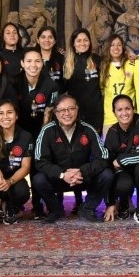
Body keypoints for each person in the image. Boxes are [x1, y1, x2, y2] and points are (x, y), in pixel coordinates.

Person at [33, 94, 112, 223]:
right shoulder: (47, 131)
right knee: (39, 179)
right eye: (62, 110)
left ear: (77, 109)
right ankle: (56, 210)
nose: (67, 113)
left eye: (71, 109)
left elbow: (103, 157)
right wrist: (62, 174)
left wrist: (82, 171)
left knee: (107, 175)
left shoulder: (88, 129)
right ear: (56, 113)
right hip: (59, 179)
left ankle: (88, 208)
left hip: (82, 177)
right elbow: (40, 161)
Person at [14, 47, 59, 219]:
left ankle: (38, 204)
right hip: (18, 130)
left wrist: (42, 136)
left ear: (42, 63)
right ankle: (11, 203)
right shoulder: (14, 82)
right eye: (29, 61)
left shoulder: (50, 84)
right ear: (22, 63)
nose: (33, 65)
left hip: (40, 128)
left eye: (37, 61)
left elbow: (50, 113)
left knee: (38, 166)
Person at [102, 95, 139, 222]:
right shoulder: (112, 132)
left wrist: (121, 160)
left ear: (133, 109)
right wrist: (110, 202)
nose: (124, 113)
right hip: (124, 172)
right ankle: (123, 202)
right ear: (114, 113)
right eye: (119, 110)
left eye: (128, 109)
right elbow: (107, 166)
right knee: (123, 183)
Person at [63, 28, 104, 132]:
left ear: (90, 42)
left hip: (95, 113)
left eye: (85, 40)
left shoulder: (97, 60)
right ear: (73, 43)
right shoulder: (67, 63)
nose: (82, 43)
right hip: (75, 114)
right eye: (79, 40)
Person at [100, 34, 135, 134]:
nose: (116, 48)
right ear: (108, 47)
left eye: (119, 45)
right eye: (112, 45)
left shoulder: (131, 64)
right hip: (110, 117)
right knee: (110, 148)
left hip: (129, 116)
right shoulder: (103, 67)